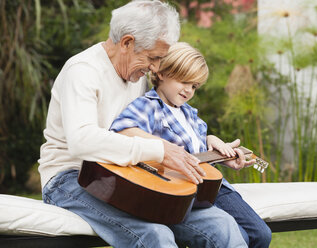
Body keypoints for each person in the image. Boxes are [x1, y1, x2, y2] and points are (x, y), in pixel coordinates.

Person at [38, 1, 248, 247]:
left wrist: (210, 144)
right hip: (72, 177)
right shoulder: (83, 71)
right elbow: (81, 140)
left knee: (221, 226)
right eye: (153, 57)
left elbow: (168, 124)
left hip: (130, 174)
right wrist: (159, 151)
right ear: (127, 43)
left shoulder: (136, 76)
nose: (156, 68)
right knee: (154, 234)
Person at [110, 42, 272, 248]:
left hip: (214, 187)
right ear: (161, 73)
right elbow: (122, 130)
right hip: (183, 189)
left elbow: (199, 151)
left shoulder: (189, 113)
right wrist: (169, 150)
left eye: (194, 86)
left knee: (261, 234)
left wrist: (219, 151)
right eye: (184, 81)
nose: (188, 90)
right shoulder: (149, 106)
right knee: (233, 237)